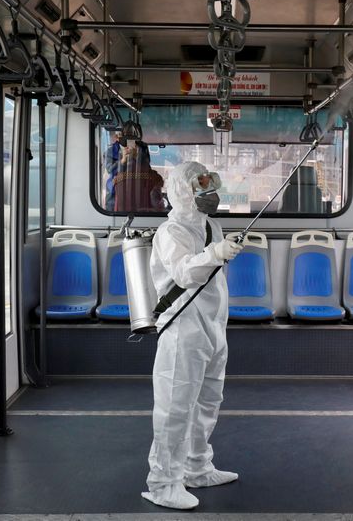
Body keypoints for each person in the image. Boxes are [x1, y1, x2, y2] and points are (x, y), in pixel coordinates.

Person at [142, 161, 243, 510]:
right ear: (184, 190)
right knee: (175, 406)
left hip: (214, 326)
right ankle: (163, 483)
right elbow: (185, 274)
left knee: (208, 401)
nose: (208, 191)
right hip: (183, 327)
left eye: (209, 182)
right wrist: (216, 253)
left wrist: (219, 248)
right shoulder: (171, 232)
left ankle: (197, 467)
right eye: (200, 184)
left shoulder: (212, 225)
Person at [103, 132, 121, 211]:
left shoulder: (138, 150)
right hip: (114, 185)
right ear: (117, 137)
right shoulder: (110, 151)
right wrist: (121, 160)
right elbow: (109, 168)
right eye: (122, 136)